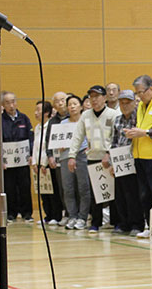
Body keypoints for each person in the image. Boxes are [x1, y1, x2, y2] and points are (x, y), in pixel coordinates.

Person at [69, 85, 118, 233]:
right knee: (96, 192)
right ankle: (96, 223)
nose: (94, 100)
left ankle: (116, 222)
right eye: (92, 97)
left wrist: (109, 153)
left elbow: (116, 137)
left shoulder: (113, 114)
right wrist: (72, 156)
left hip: (109, 158)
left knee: (113, 191)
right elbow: (77, 135)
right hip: (92, 157)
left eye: (97, 96)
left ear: (104, 98)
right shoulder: (86, 115)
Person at [125, 75, 152, 237]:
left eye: (141, 92)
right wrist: (131, 132)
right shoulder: (141, 106)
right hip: (140, 156)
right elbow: (137, 126)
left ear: (151, 89)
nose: (139, 96)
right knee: (144, 195)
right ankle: (151, 227)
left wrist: (143, 133)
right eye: (137, 93)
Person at [0, 91, 34, 224]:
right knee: (9, 187)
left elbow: (31, 138)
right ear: (3, 105)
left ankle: (27, 213)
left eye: (13, 101)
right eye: (8, 103)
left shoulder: (24, 118)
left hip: (22, 159)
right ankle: (11, 214)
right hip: (7, 162)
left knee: (25, 186)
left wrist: (32, 154)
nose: (11, 105)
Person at [110, 90, 145, 235]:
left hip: (134, 159)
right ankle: (123, 223)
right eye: (122, 103)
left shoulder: (139, 117)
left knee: (133, 194)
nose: (125, 105)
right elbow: (114, 141)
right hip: (119, 160)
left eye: (128, 102)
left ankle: (137, 224)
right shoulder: (117, 119)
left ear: (134, 102)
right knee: (120, 193)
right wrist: (112, 161)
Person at [57, 94, 89, 229]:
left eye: (75, 104)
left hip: (82, 155)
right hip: (65, 157)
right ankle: (72, 216)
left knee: (83, 188)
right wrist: (59, 145)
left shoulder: (86, 121)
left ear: (81, 106)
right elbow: (57, 142)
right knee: (68, 188)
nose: (72, 106)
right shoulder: (63, 124)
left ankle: (83, 217)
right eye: (69, 104)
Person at [43, 91, 69, 225]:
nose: (60, 103)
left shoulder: (75, 117)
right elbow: (48, 141)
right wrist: (50, 156)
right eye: (57, 101)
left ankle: (77, 215)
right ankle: (66, 213)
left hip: (73, 158)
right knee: (62, 187)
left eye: (63, 100)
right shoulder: (52, 122)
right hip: (59, 161)